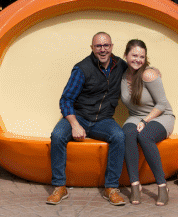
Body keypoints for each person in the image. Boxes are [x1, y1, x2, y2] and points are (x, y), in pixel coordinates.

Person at [47, 31, 127, 206]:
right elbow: (66, 99)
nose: (103, 49)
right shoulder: (82, 68)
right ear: (92, 48)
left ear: (112, 47)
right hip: (80, 117)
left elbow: (138, 71)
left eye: (106, 45)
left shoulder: (121, 66)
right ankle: (60, 186)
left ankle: (111, 188)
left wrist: (152, 71)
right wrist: (75, 124)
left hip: (103, 120)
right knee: (57, 136)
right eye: (98, 46)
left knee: (119, 136)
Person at [120, 39, 175, 206]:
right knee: (128, 134)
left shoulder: (148, 74)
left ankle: (162, 185)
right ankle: (135, 186)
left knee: (144, 137)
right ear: (126, 56)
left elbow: (162, 104)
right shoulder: (122, 74)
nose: (138, 59)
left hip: (160, 116)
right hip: (135, 116)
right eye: (134, 55)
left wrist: (145, 121)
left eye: (142, 56)